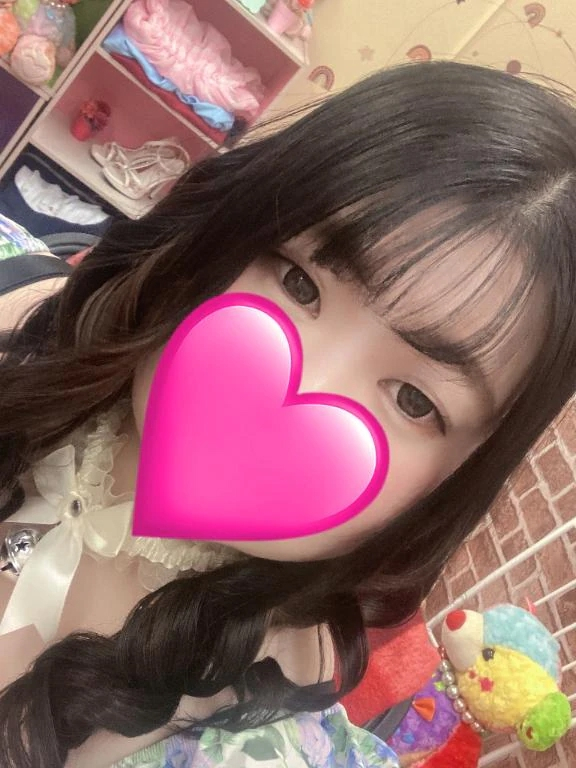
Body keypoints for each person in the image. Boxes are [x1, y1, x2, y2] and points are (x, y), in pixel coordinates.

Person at [1, 59, 576, 768]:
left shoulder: (259, 744)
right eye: (299, 281)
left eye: (413, 400)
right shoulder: (18, 303)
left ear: (455, 479)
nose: (306, 385)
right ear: (229, 232)